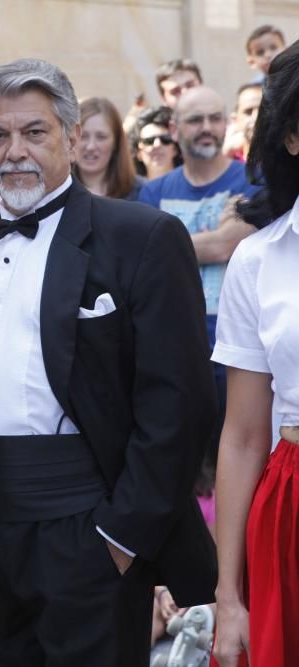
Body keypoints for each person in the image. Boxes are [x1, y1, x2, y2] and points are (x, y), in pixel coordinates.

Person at [0, 57, 218, 666]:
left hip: (87, 529)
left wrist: (120, 538)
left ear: (71, 134)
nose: (15, 152)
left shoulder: (142, 237)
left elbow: (177, 404)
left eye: (35, 132)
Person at [210, 40, 299, 667]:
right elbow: (242, 438)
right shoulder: (259, 260)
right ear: (291, 137)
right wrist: (228, 596)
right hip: (290, 510)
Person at [138, 86, 262, 466]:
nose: (207, 127)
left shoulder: (252, 182)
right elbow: (144, 259)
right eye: (195, 120)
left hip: (238, 353)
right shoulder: (154, 192)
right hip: (174, 351)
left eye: (214, 118)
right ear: (175, 130)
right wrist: (217, 237)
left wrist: (171, 244)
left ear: (227, 123)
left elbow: (228, 246)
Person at [73, 97, 143, 200]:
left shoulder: (141, 192)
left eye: (101, 137)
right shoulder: (54, 193)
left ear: (116, 142)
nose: (90, 146)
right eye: (83, 136)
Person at [130, 106, 182, 180]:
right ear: (138, 153)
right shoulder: (129, 190)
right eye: (149, 141)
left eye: (165, 139)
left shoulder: (196, 186)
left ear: (175, 149)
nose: (157, 144)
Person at [224, 82, 263, 162]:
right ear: (235, 120)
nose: (256, 118)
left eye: (263, 111)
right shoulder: (227, 161)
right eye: (248, 112)